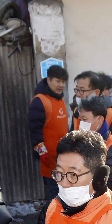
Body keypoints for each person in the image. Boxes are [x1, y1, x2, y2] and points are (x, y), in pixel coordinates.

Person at [28, 64, 69, 202]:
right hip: (49, 158)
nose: (61, 85)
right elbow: (34, 129)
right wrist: (41, 152)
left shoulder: (61, 99)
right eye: (58, 81)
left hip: (64, 157)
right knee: (54, 194)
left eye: (63, 82)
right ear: (48, 80)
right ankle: (51, 221)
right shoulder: (40, 101)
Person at [70, 71, 112, 147]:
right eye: (77, 90)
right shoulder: (76, 111)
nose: (78, 94)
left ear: (96, 92)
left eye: (82, 90)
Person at [78, 96, 112, 187]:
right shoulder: (84, 140)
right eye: (80, 120)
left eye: (84, 119)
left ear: (99, 120)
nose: (81, 124)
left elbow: (108, 185)